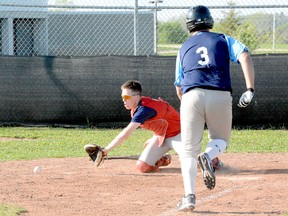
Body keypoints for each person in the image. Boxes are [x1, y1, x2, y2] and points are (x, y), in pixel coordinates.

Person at [174, 5, 255, 211]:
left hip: (191, 95)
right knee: (220, 140)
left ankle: (189, 197)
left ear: (189, 25)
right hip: (219, 93)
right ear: (210, 21)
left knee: (189, 151)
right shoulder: (223, 39)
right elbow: (244, 55)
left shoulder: (183, 47)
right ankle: (209, 157)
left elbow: (179, 86)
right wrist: (249, 89)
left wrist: (189, 105)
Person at [85, 80, 184, 173]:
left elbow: (126, 133)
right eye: (123, 97)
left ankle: (194, 157)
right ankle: (163, 158)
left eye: (127, 97)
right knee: (142, 167)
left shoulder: (144, 109)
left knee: (190, 162)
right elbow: (161, 122)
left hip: (179, 135)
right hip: (161, 136)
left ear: (137, 96)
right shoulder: (137, 108)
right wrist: (154, 138)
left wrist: (105, 150)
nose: (124, 100)